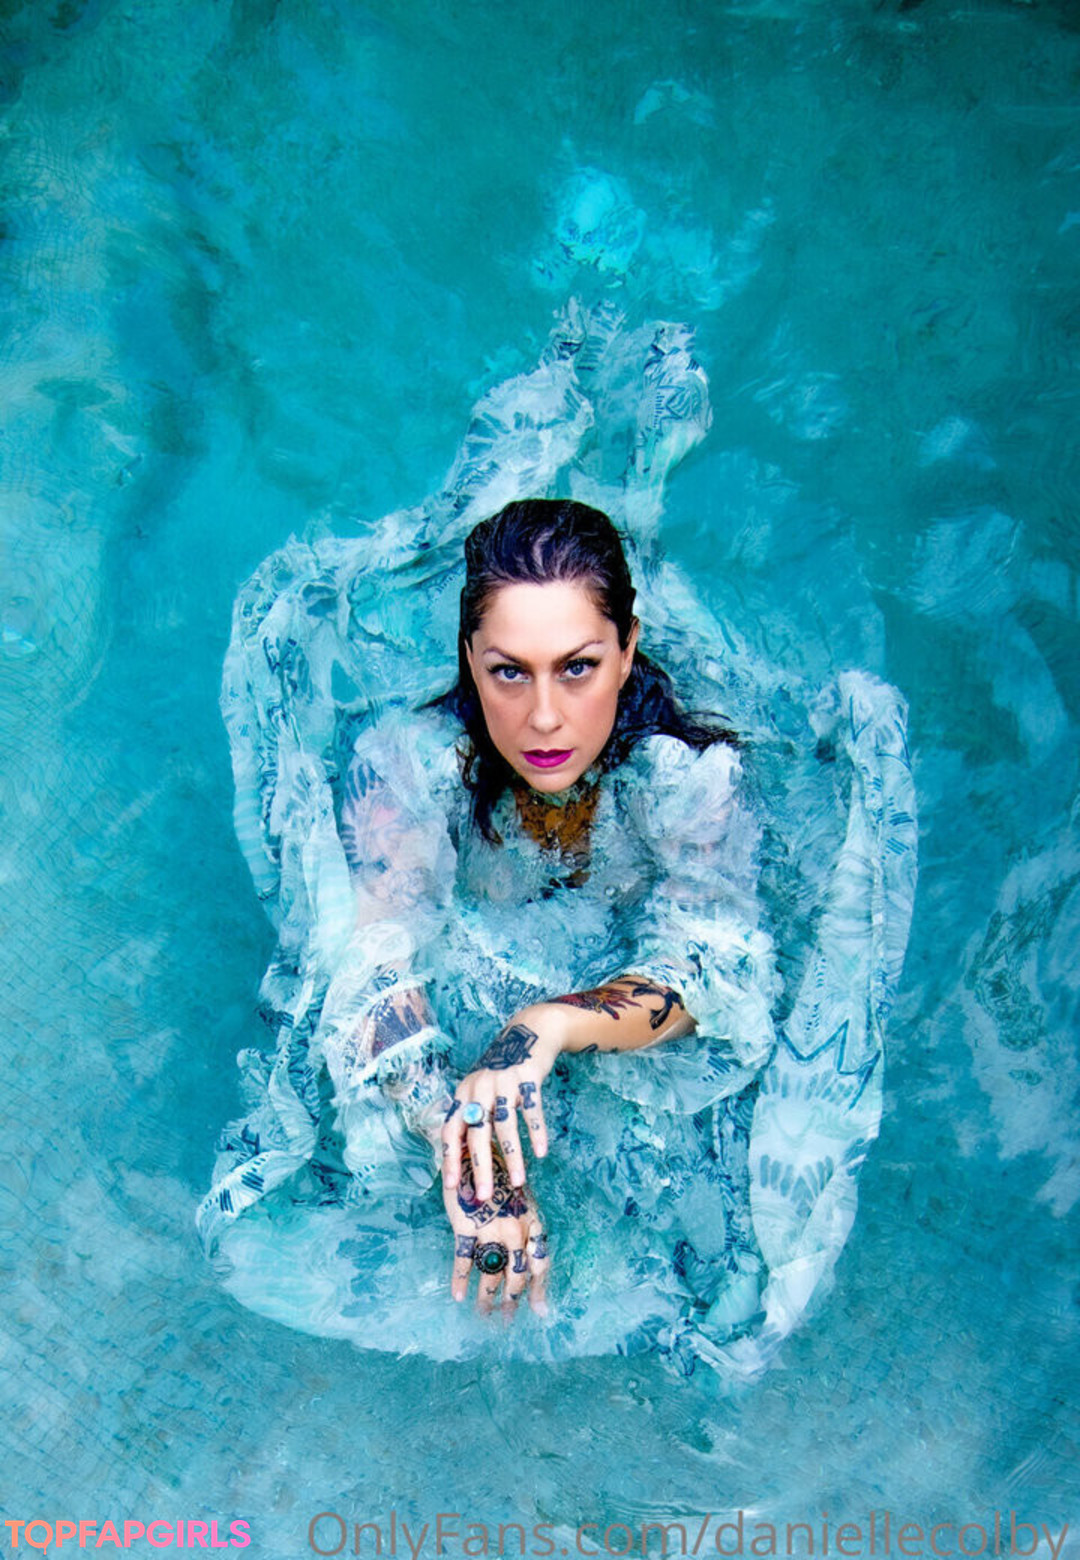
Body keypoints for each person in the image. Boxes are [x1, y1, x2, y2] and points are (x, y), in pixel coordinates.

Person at [196, 302, 917, 1383]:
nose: (543, 719)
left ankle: (639, 486)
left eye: (578, 668)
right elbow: (369, 964)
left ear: (627, 655)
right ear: (467, 661)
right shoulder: (410, 767)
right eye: (508, 672)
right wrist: (457, 1136)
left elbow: (713, 973)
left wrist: (549, 1026)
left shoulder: (692, 779)